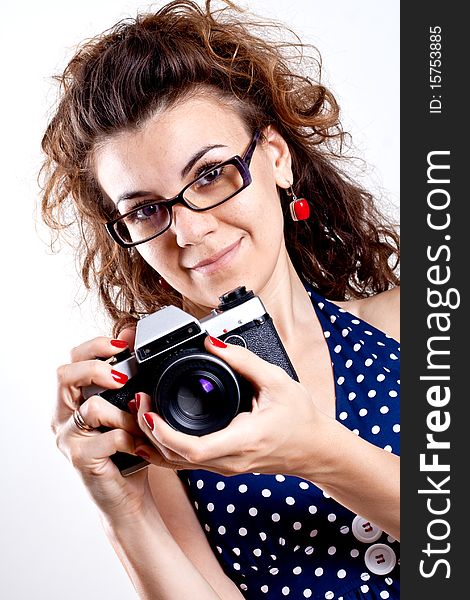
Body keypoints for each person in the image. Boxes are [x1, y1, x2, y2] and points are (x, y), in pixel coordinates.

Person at [40, 1, 400, 598]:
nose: (188, 230)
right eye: (146, 209)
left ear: (278, 158)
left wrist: (314, 452)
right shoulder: (157, 408)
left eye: (210, 175)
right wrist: (123, 508)